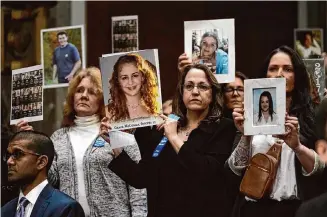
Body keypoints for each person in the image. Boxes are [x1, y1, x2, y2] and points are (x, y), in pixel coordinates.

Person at [101, 64, 237, 217]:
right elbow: (142, 178)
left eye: (203, 87)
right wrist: (115, 145)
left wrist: (173, 137)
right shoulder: (166, 126)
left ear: (213, 93)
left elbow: (208, 173)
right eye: (189, 86)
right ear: (181, 91)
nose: (195, 92)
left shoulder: (224, 127)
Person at [15, 67, 147, 217]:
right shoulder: (58, 138)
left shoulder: (120, 133)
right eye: (79, 90)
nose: (84, 95)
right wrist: (31, 144)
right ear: (72, 96)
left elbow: (138, 188)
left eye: (92, 92)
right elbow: (48, 181)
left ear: (103, 99)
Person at [227, 45, 325, 217]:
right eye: (273, 69)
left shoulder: (311, 115)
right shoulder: (250, 112)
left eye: (287, 69)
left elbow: (319, 170)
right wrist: (245, 135)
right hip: (252, 208)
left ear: (297, 76)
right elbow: (235, 169)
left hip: (294, 209)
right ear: (265, 75)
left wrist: (298, 147)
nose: (279, 74)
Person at [1, 130, 85, 217]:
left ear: (41, 162)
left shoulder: (65, 208)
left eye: (18, 154)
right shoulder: (5, 210)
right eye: (8, 155)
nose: (9, 161)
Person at [106, 53, 159, 122]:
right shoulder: (108, 112)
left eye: (135, 75)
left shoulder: (155, 110)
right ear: (117, 81)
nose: (130, 82)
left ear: (143, 77)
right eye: (124, 78)